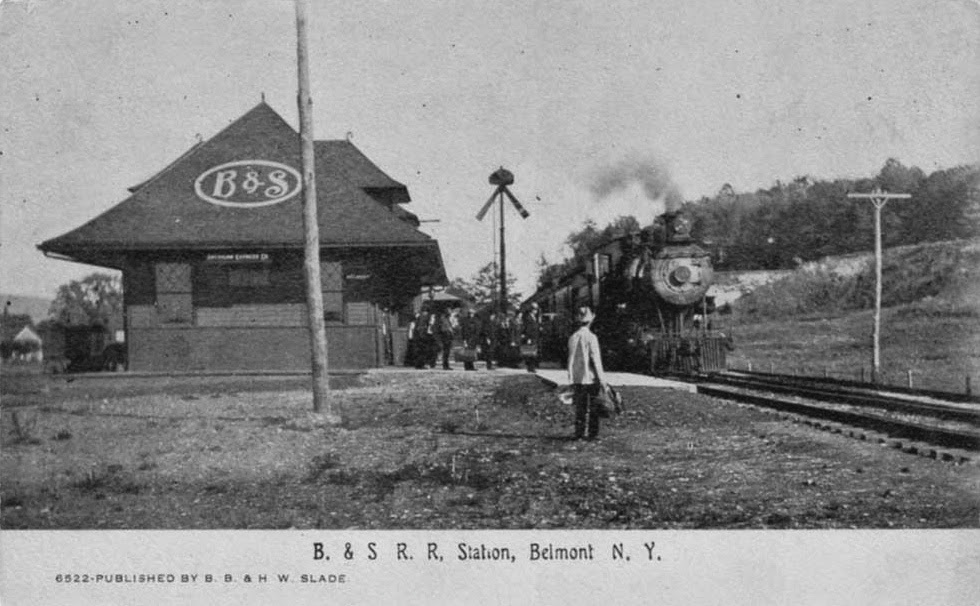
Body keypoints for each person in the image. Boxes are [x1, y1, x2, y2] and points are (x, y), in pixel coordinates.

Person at [566, 305, 608, 441]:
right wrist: (602, 379)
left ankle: (579, 433)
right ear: (591, 321)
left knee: (580, 407)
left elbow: (570, 359)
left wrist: (571, 377)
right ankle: (592, 434)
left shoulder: (573, 337)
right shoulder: (591, 337)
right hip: (591, 377)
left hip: (578, 377)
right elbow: (596, 360)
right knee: (594, 406)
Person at [458, 306, 480, 371]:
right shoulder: (466, 321)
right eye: (470, 313)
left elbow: (476, 330)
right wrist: (464, 340)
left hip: (473, 338)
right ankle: (467, 366)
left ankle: (471, 366)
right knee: (467, 352)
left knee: (471, 352)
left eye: (472, 313)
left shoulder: (475, 320)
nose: (471, 314)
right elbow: (463, 331)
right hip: (468, 338)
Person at [521, 303, 541, 372]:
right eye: (535, 309)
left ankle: (531, 367)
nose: (536, 311)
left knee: (533, 352)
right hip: (530, 337)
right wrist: (528, 338)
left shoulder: (534, 317)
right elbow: (527, 328)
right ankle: (531, 367)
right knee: (531, 353)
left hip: (535, 336)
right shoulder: (528, 317)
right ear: (531, 310)